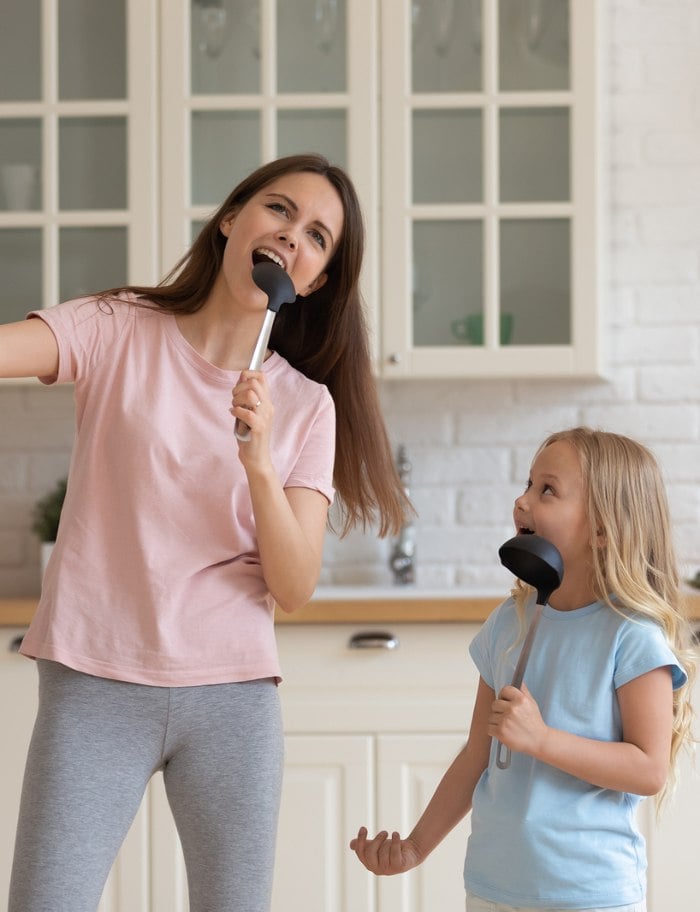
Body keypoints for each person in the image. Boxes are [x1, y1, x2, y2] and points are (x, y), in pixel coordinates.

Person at [2, 153, 411, 912]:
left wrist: (259, 464)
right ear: (232, 220)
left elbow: (292, 588)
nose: (293, 238)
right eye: (280, 211)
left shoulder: (307, 406)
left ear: (317, 281)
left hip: (231, 697)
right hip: (95, 682)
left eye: (317, 237)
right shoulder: (117, 327)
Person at [351, 426, 695, 912]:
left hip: (589, 894)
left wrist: (542, 739)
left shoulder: (631, 636)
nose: (522, 500)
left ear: (601, 529)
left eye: (547, 490)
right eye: (528, 484)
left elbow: (648, 768)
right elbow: (477, 755)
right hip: (493, 886)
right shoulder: (506, 624)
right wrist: (414, 846)